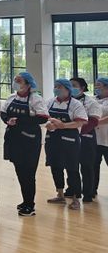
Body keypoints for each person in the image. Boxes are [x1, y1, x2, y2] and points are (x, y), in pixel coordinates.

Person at [0, 71, 47, 217]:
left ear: (28, 84)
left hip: (30, 141)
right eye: (15, 80)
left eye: (19, 81)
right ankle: (25, 200)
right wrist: (7, 120)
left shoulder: (36, 99)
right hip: (14, 139)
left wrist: (20, 121)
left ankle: (30, 205)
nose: (16, 83)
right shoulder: (11, 97)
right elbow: (3, 112)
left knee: (28, 173)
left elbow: (43, 117)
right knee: (19, 171)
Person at [45, 78, 88, 210]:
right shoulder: (50, 102)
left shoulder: (75, 104)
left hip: (70, 142)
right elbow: (45, 117)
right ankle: (60, 194)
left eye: (59, 87)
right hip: (53, 140)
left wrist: (63, 125)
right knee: (55, 167)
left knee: (72, 169)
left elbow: (81, 122)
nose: (56, 89)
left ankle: (76, 198)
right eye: (55, 86)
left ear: (67, 89)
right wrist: (49, 124)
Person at [68, 77, 101, 202]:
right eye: (69, 85)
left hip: (86, 137)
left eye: (74, 85)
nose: (71, 87)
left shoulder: (91, 102)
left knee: (86, 166)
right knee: (71, 165)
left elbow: (93, 121)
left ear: (82, 88)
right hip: (70, 137)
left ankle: (88, 192)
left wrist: (75, 128)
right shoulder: (67, 101)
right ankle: (72, 189)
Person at [94, 78, 108, 196]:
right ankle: (91, 189)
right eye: (96, 85)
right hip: (94, 139)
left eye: (99, 85)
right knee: (93, 165)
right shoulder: (92, 100)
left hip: (106, 139)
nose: (96, 87)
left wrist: (94, 122)